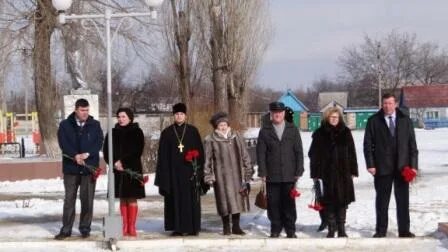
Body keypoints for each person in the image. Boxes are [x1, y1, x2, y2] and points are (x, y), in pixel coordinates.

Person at [364, 93, 418, 238]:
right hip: (382, 168)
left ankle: (404, 230)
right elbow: (368, 145)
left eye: (390, 103)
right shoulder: (374, 121)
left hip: (403, 167)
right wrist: (370, 164)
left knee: (403, 201)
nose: (387, 106)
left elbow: (412, 145)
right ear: (382, 104)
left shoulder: (405, 120)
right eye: (385, 103)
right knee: (382, 201)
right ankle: (381, 231)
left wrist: (413, 166)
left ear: (395, 104)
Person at [155, 103, 207, 236]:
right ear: (174, 116)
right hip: (173, 174)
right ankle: (176, 228)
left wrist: (198, 170)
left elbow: (200, 152)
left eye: (181, 114)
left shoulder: (192, 131)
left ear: (185, 115)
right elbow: (162, 156)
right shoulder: (167, 133)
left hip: (190, 173)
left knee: (191, 201)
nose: (179, 116)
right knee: (174, 200)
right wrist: (164, 175)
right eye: (177, 114)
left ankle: (192, 227)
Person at [55, 98, 103, 240]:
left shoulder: (95, 125)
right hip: (71, 168)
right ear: (76, 110)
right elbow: (63, 143)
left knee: (87, 200)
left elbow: (99, 142)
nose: (85, 113)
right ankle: (66, 229)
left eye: (87, 110)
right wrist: (74, 155)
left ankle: (85, 228)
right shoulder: (65, 125)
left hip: (89, 168)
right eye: (82, 110)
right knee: (69, 199)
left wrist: (87, 154)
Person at [256, 101, 304, 238]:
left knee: (289, 203)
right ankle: (275, 228)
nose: (277, 115)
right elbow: (261, 153)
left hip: (289, 174)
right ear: (271, 114)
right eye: (274, 112)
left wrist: (299, 170)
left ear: (283, 114)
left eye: (279, 112)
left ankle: (290, 229)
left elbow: (299, 151)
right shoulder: (265, 131)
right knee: (274, 204)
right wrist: (262, 172)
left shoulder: (292, 129)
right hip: (272, 174)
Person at [309, 107, 358, 238]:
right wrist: (315, 174)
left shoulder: (346, 132)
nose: (334, 119)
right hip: (326, 174)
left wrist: (353, 170)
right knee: (328, 202)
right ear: (327, 117)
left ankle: (341, 229)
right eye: (331, 117)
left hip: (343, 172)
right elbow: (313, 154)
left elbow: (352, 152)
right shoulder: (319, 133)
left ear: (340, 118)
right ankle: (331, 228)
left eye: (336, 117)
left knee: (342, 201)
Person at [204, 112, 254, 236]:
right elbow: (207, 159)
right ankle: (226, 226)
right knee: (224, 201)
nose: (223, 127)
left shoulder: (236, 136)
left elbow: (245, 154)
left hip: (237, 174)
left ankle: (236, 226)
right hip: (221, 177)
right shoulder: (210, 140)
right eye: (220, 125)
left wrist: (248, 170)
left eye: (225, 124)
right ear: (216, 126)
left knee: (237, 200)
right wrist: (208, 175)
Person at [103, 108, 145, 237]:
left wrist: (124, 163)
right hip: (117, 170)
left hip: (132, 169)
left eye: (123, 116)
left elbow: (138, 150)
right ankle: (124, 226)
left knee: (131, 198)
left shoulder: (137, 132)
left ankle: (132, 226)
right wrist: (115, 162)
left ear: (130, 118)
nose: (120, 119)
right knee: (122, 198)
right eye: (119, 116)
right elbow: (106, 151)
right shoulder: (112, 132)